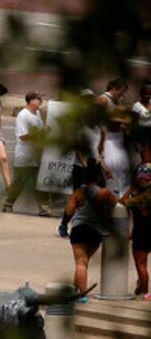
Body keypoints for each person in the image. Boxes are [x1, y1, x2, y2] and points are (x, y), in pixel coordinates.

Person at [66, 160, 118, 298]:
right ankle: (73, 290)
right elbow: (117, 205)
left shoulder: (79, 192)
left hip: (79, 229)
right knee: (83, 262)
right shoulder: (105, 193)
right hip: (96, 231)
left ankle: (82, 295)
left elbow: (69, 210)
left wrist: (64, 225)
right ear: (98, 176)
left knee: (80, 263)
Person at [2, 92, 54, 216]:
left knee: (39, 182)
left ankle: (44, 208)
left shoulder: (37, 114)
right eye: (38, 99)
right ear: (30, 101)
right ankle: (8, 203)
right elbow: (23, 136)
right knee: (19, 182)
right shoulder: (23, 115)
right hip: (24, 156)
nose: (41, 101)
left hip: (36, 155)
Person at [98, 78, 131, 196]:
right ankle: (111, 194)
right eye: (121, 91)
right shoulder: (103, 100)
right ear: (114, 88)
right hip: (109, 139)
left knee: (123, 168)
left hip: (119, 137)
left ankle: (121, 194)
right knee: (112, 168)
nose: (122, 94)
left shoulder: (117, 101)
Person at [124, 163, 151, 298]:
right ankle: (142, 288)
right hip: (144, 231)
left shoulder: (141, 196)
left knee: (140, 264)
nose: (143, 180)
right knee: (143, 264)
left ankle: (145, 293)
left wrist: (131, 187)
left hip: (142, 232)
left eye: (145, 178)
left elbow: (123, 201)